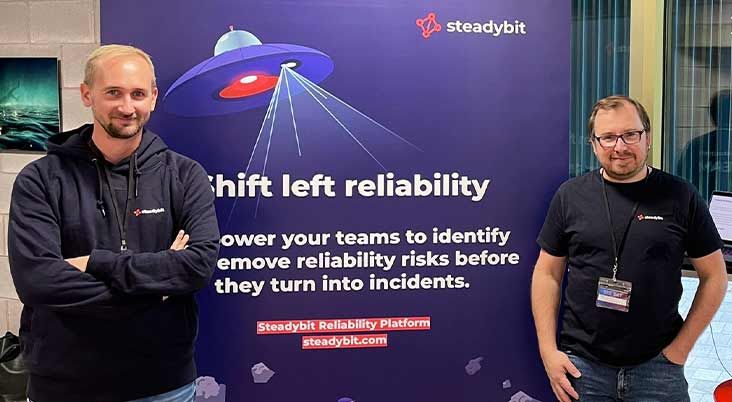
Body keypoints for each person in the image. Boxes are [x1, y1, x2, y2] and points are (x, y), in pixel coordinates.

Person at [7, 45, 220, 402]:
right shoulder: (40, 179)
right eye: (113, 93)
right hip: (64, 386)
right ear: (87, 94)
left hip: (163, 384)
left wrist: (96, 263)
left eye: (138, 94)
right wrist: (156, 289)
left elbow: (198, 266)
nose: (126, 107)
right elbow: (38, 281)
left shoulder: (185, 175)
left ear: (153, 98)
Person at [531, 95, 727, 402]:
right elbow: (547, 273)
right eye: (608, 137)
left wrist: (680, 350)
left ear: (647, 137)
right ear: (593, 144)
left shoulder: (680, 196)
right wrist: (547, 351)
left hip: (658, 368)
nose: (619, 146)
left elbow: (714, 276)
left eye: (630, 134)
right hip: (583, 368)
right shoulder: (570, 196)